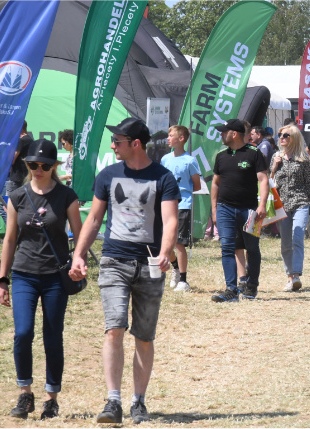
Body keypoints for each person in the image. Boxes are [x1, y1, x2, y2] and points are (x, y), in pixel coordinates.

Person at [69, 118, 180, 424]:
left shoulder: (163, 178)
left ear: (135, 144)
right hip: (113, 261)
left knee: (143, 336)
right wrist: (78, 255)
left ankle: (139, 401)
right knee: (114, 328)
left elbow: (170, 221)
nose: (112, 145)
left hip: (149, 264)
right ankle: (113, 401)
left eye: (117, 141)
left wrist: (165, 252)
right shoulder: (107, 175)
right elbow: (93, 220)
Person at [0, 138, 82, 420]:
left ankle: (51, 398)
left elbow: (79, 235)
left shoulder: (66, 196)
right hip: (24, 274)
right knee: (23, 333)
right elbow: (9, 239)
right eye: (33, 164)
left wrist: (78, 261)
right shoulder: (17, 197)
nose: (38, 169)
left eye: (44, 165)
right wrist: (2, 278)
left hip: (55, 275)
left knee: (52, 335)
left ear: (54, 166)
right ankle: (24, 394)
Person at [208, 118, 270, 302]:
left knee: (252, 248)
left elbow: (263, 180)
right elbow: (215, 184)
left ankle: (251, 287)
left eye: (223, 132)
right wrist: (214, 210)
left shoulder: (254, 153)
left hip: (250, 210)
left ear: (234, 134)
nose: (220, 134)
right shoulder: (221, 156)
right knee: (227, 248)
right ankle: (231, 290)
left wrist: (262, 205)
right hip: (225, 209)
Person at [272, 125, 310, 290]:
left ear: (294, 138)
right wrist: (275, 167)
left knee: (297, 236)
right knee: (285, 242)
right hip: (281, 204)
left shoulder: (303, 159)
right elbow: (268, 181)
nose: (282, 138)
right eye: (280, 135)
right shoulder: (276, 157)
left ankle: (296, 275)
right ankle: (289, 277)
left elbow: (308, 185)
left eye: (286, 135)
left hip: (300, 202)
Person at [160, 125, 202, 292]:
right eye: (168, 135)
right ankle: (175, 267)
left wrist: (181, 191)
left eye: (171, 135)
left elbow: (196, 185)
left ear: (182, 139)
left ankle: (183, 280)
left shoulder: (190, 160)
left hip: (183, 205)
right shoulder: (165, 159)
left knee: (179, 243)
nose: (168, 138)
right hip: (165, 205)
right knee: (165, 242)